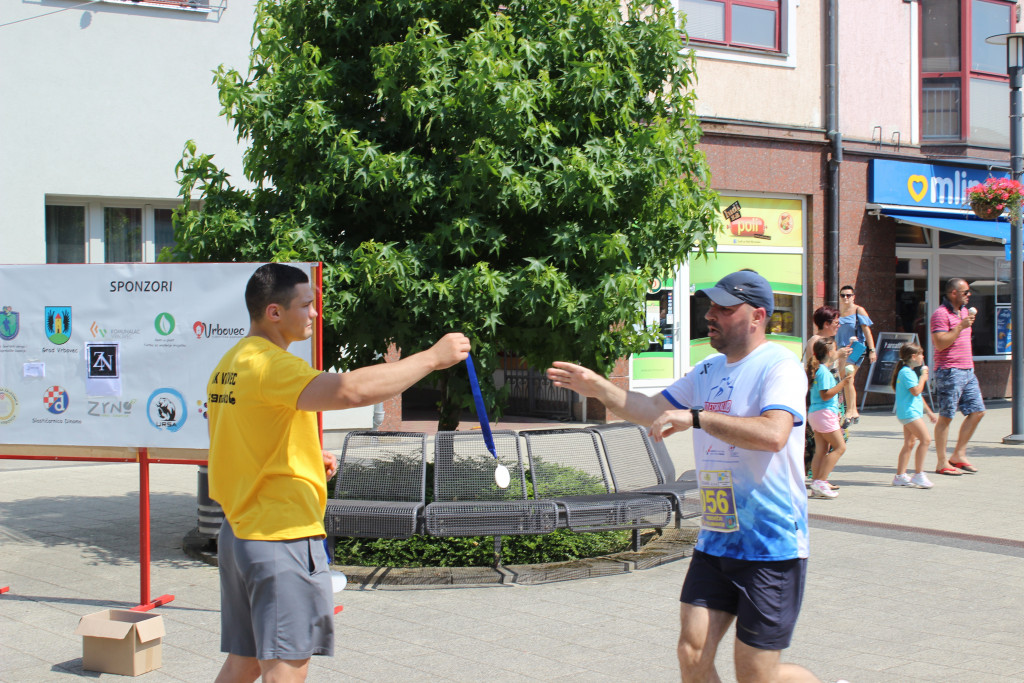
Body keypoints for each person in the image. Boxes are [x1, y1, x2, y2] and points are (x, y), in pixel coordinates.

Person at [547, 270, 818, 683]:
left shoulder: (779, 366)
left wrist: (697, 418)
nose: (710, 314)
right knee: (691, 654)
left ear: (758, 316)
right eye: (711, 306)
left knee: (756, 676)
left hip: (770, 545)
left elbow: (773, 435)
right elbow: (650, 410)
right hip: (717, 537)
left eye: (724, 308)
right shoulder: (707, 370)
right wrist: (601, 389)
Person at [207, 263, 470, 683]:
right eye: (305, 305)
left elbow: (247, 436)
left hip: (240, 532)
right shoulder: (271, 365)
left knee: (247, 661)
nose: (315, 314)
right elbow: (350, 390)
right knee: (286, 666)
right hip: (280, 535)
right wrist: (431, 359)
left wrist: (307, 459)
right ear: (274, 312)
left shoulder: (234, 360)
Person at [930, 277, 984, 475]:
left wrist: (963, 323)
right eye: (965, 292)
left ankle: (958, 455)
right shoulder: (940, 314)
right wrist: (960, 326)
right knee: (946, 416)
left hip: (967, 369)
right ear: (954, 293)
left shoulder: (964, 312)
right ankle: (942, 462)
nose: (969, 295)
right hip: (949, 370)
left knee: (978, 411)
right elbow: (940, 343)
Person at [805, 338, 854, 499]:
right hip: (824, 413)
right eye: (835, 349)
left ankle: (816, 484)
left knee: (821, 450)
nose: (837, 351)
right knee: (840, 447)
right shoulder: (824, 372)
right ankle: (821, 481)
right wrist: (843, 383)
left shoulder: (819, 370)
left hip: (817, 414)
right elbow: (825, 395)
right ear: (829, 352)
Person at [890, 342, 936, 489]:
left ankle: (900, 476)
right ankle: (919, 474)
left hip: (910, 412)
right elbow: (916, 391)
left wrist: (929, 412)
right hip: (909, 413)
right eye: (921, 354)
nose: (923, 357)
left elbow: (918, 396)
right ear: (913, 356)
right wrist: (923, 377)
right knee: (926, 440)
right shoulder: (906, 373)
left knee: (910, 443)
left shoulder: (907, 372)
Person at [836, 285, 876, 422]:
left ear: (854, 297)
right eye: (843, 295)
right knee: (846, 379)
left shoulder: (859, 310)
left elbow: (867, 331)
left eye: (848, 295)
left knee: (848, 377)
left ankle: (850, 411)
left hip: (856, 348)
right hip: (842, 349)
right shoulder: (838, 312)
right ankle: (854, 411)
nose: (845, 298)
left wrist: (872, 350)